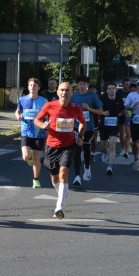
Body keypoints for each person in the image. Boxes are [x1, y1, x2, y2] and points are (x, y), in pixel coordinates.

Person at [33, 81, 85, 219]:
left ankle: (59, 207)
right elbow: (36, 120)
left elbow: (82, 123)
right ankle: (63, 191)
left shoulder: (76, 108)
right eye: (62, 90)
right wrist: (43, 124)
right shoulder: (49, 106)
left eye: (67, 90)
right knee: (55, 176)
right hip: (51, 146)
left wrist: (80, 136)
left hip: (68, 146)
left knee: (63, 173)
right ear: (57, 92)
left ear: (71, 93)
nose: (64, 93)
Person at [69, 76, 103, 188]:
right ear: (77, 85)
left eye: (84, 84)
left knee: (86, 148)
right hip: (75, 127)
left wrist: (89, 109)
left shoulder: (93, 96)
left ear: (87, 85)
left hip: (88, 127)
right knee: (77, 150)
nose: (82, 86)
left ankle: (87, 167)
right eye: (80, 84)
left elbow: (101, 111)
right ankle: (77, 176)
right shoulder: (73, 96)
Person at [15, 77, 47, 188]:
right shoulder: (22, 99)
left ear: (38, 87)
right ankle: (29, 158)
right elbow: (17, 110)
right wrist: (17, 116)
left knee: (37, 158)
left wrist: (47, 125)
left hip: (39, 132)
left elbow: (47, 114)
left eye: (35, 85)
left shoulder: (43, 101)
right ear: (28, 87)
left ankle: (36, 180)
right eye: (30, 85)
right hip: (26, 131)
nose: (32, 87)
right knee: (25, 156)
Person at [99, 82, 126, 175]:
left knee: (112, 144)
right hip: (104, 126)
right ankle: (104, 153)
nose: (111, 90)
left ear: (115, 89)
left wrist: (123, 113)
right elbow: (97, 111)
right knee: (103, 147)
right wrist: (103, 113)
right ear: (106, 91)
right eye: (109, 89)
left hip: (115, 126)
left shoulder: (118, 99)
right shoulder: (102, 99)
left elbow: (122, 110)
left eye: (113, 88)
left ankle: (110, 167)